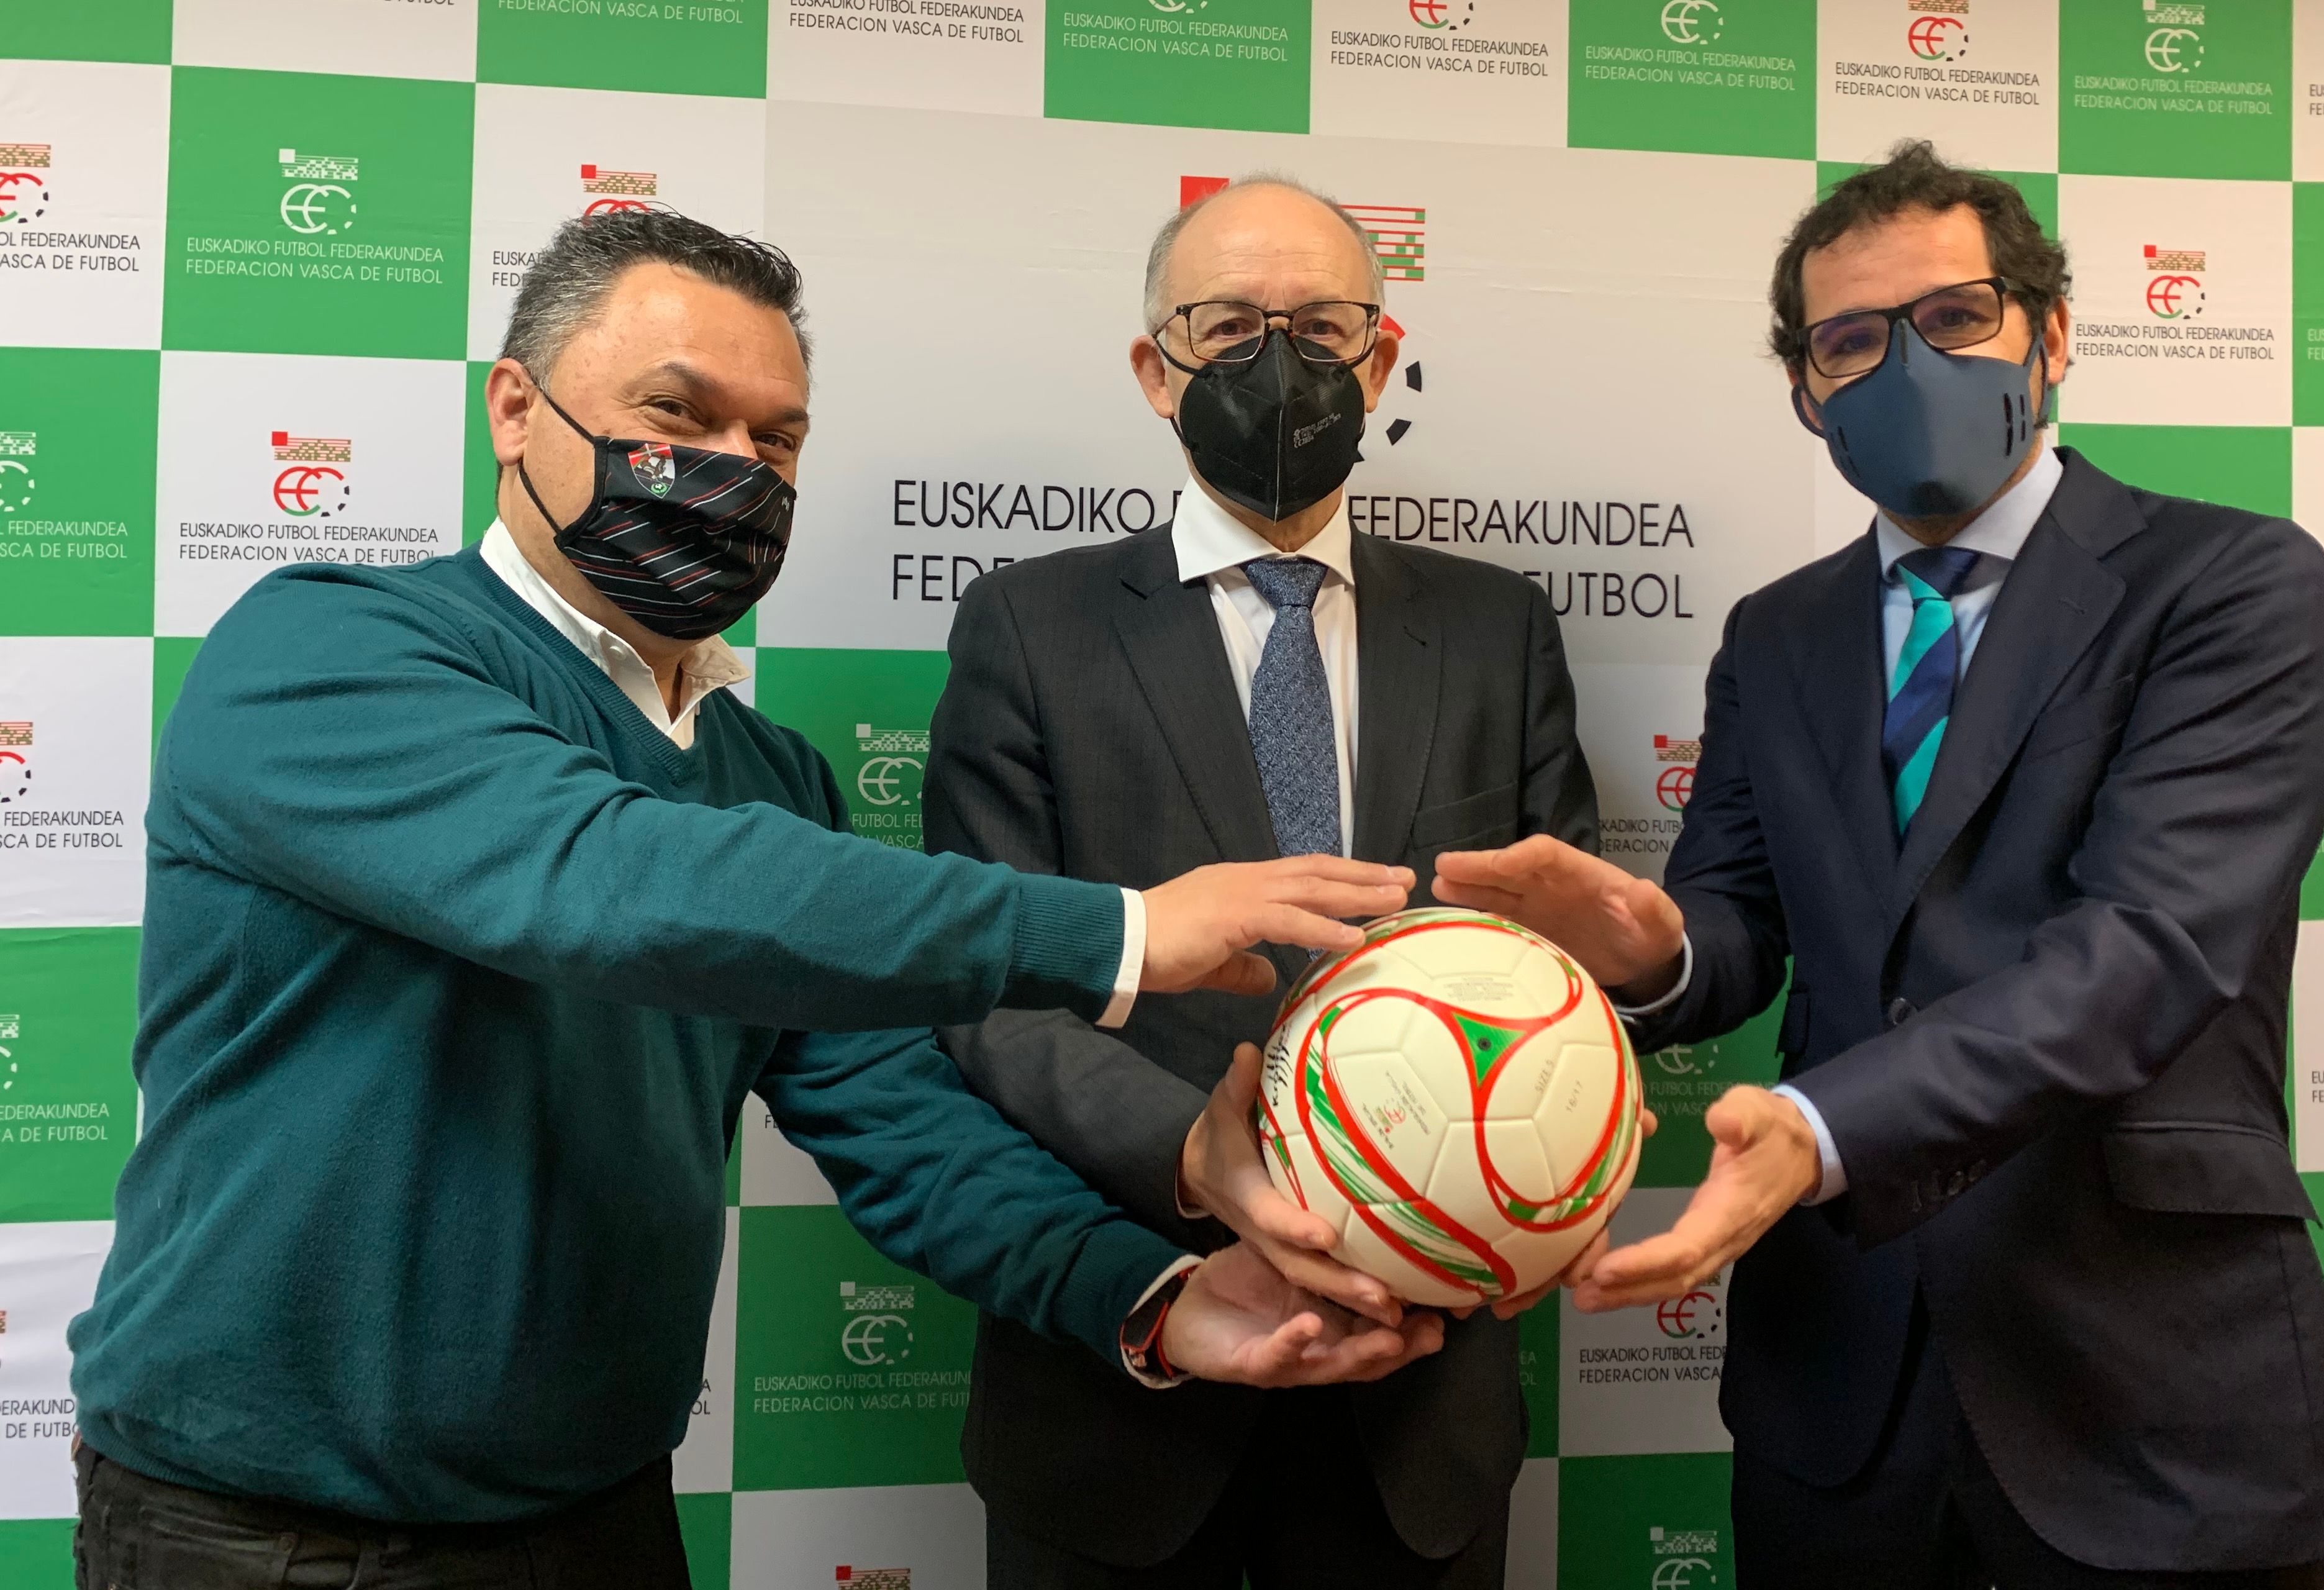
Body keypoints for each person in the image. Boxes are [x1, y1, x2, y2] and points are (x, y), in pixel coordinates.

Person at [67, 211, 1442, 1590]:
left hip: (601, 1512)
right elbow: (605, 882)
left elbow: (893, 1119)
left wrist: (1150, 1300)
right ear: (514, 409)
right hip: (267, 1533)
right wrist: (1122, 933)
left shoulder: (765, 773)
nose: (730, 470)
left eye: (773, 441)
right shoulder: (330, 650)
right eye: (678, 414)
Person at [1435, 142, 2324, 1588]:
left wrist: (1821, 1130)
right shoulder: (1778, 633)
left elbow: (2149, 950)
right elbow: (1739, 917)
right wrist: (1651, 948)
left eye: (1954, 319)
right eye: (1852, 343)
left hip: (2146, 1382)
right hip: (1842, 1387)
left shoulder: (2230, 585)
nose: (1907, 366)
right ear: (1809, 393)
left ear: (2051, 334)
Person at [926, 174, 1605, 1589]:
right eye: (1228, 326)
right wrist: (1211, 1169)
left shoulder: (1499, 628)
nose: (1277, 360)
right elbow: (991, 993)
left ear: (1381, 351)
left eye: (1318, 323)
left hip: (1421, 1409)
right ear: (1153, 368)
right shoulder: (1029, 626)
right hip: (1122, 1382)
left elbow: (1563, 975)